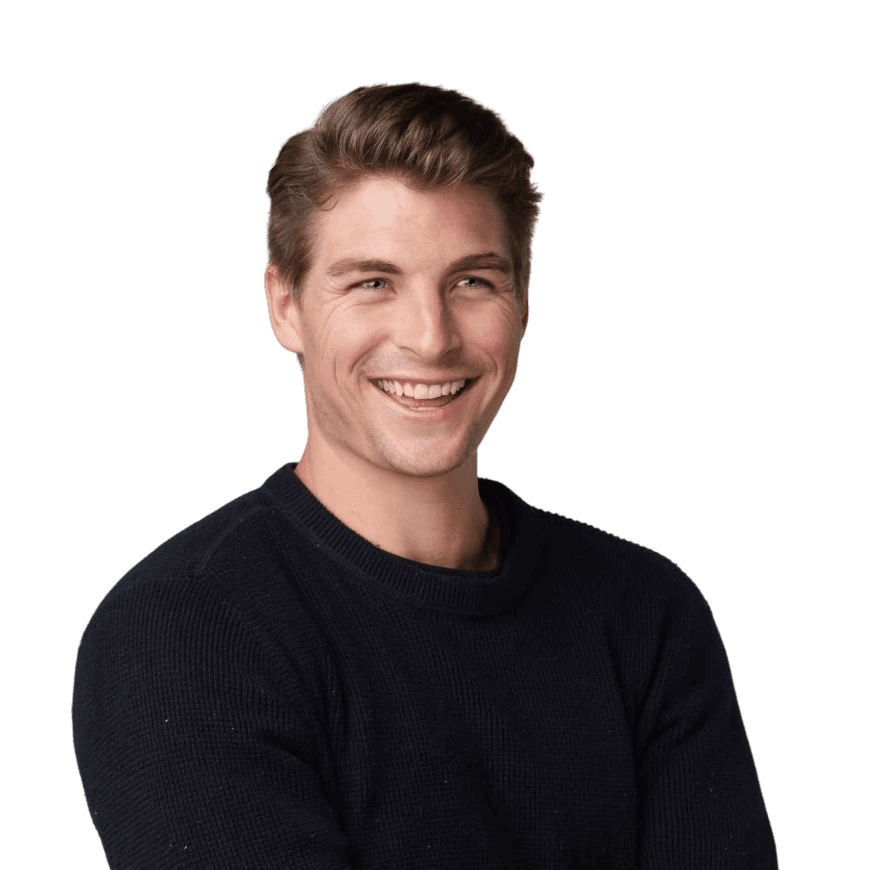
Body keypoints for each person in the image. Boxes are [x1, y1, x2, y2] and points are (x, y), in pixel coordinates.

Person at [72, 82, 778, 869]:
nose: (430, 337)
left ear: (522, 302)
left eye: (472, 281)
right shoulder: (184, 630)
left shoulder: (644, 613)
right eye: (372, 282)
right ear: (285, 306)